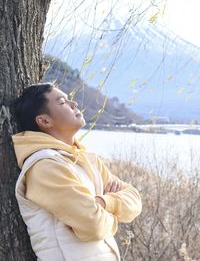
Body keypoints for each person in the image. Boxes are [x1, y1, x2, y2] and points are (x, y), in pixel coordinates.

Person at [11, 83, 142, 261]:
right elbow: (93, 224)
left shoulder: (85, 159)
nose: (74, 104)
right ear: (44, 121)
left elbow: (135, 199)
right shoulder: (45, 166)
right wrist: (115, 216)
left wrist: (104, 202)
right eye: (63, 102)